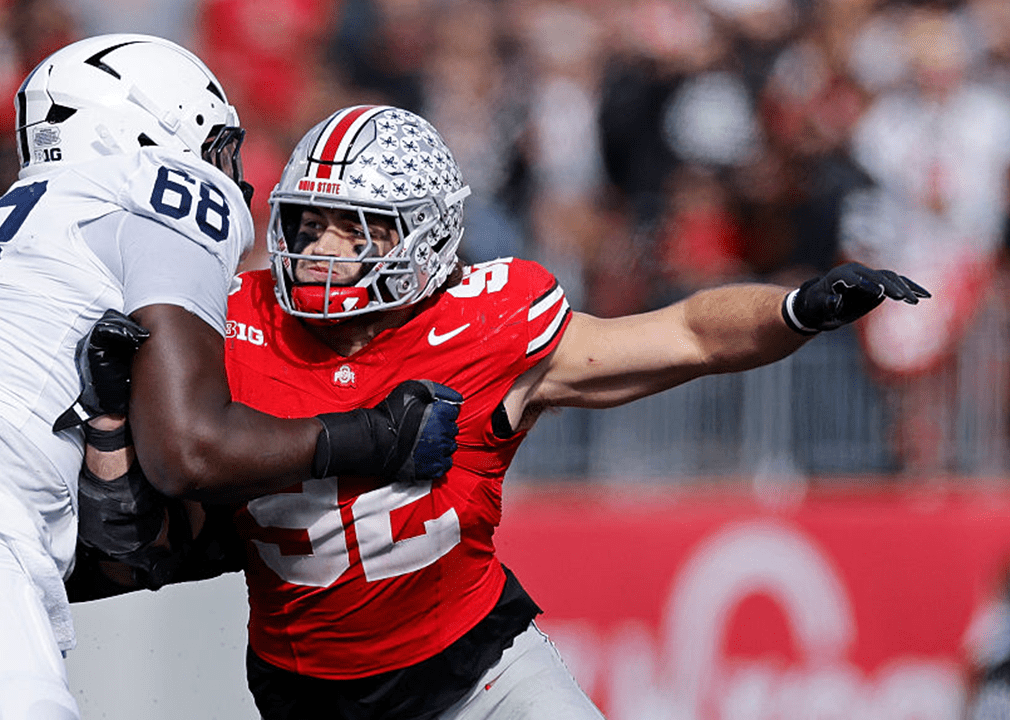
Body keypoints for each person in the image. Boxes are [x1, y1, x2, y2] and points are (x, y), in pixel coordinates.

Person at [68, 105, 930, 720]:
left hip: (481, 672)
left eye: (354, 228)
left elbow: (685, 335)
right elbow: (136, 531)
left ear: (427, 235)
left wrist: (795, 310)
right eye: (309, 223)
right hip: (312, 695)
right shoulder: (229, 322)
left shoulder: (488, 322)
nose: (319, 250)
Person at [0, 40, 461, 720]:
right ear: (154, 130)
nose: (230, 175)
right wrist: (373, 437)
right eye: (215, 146)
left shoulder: (6, 226)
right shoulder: (158, 185)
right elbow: (189, 448)